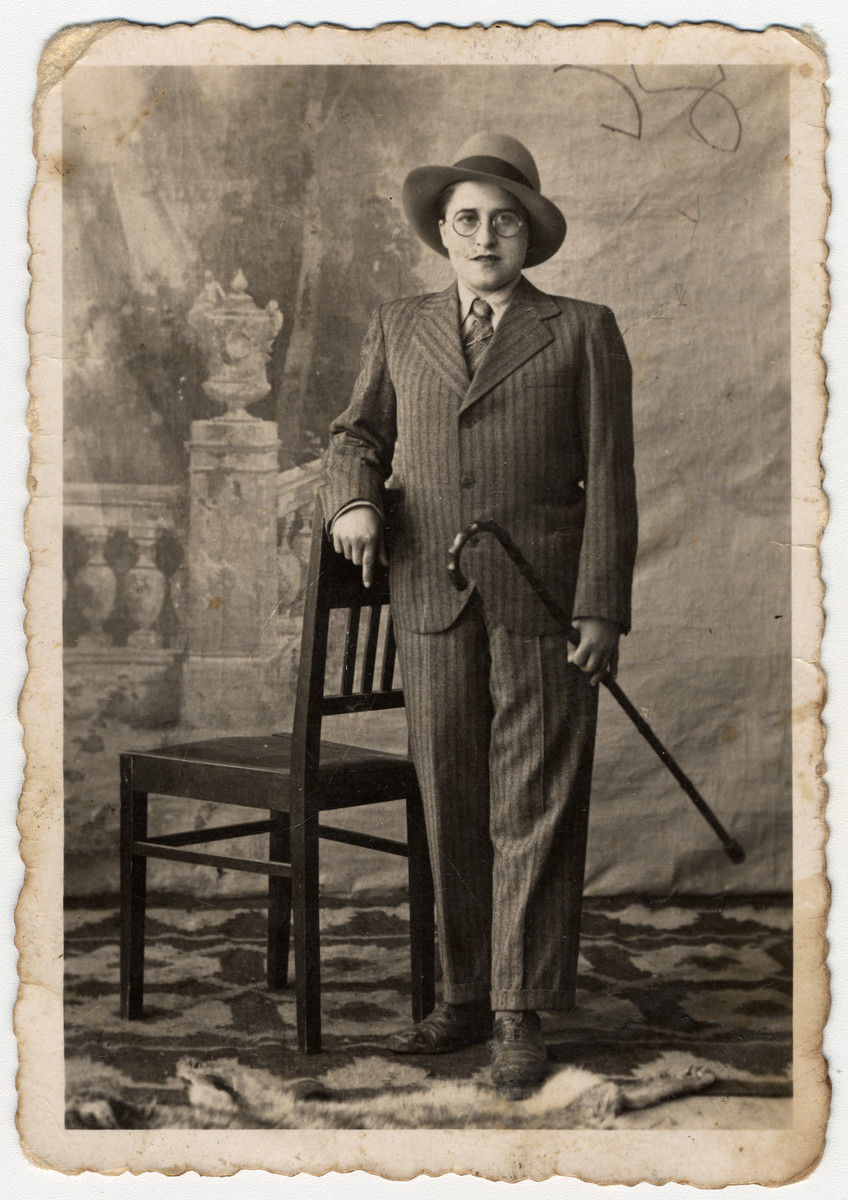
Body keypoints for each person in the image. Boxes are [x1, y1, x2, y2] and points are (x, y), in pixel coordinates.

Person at [320, 132, 637, 1094]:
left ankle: (518, 1012)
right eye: (467, 219)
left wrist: (600, 610)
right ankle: (461, 997)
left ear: (530, 234)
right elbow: (353, 434)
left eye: (505, 219)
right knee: (452, 797)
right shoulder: (398, 323)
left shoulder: (582, 329)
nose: (485, 235)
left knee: (533, 805)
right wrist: (356, 500)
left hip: (544, 600)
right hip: (430, 598)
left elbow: (613, 482)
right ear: (442, 234)